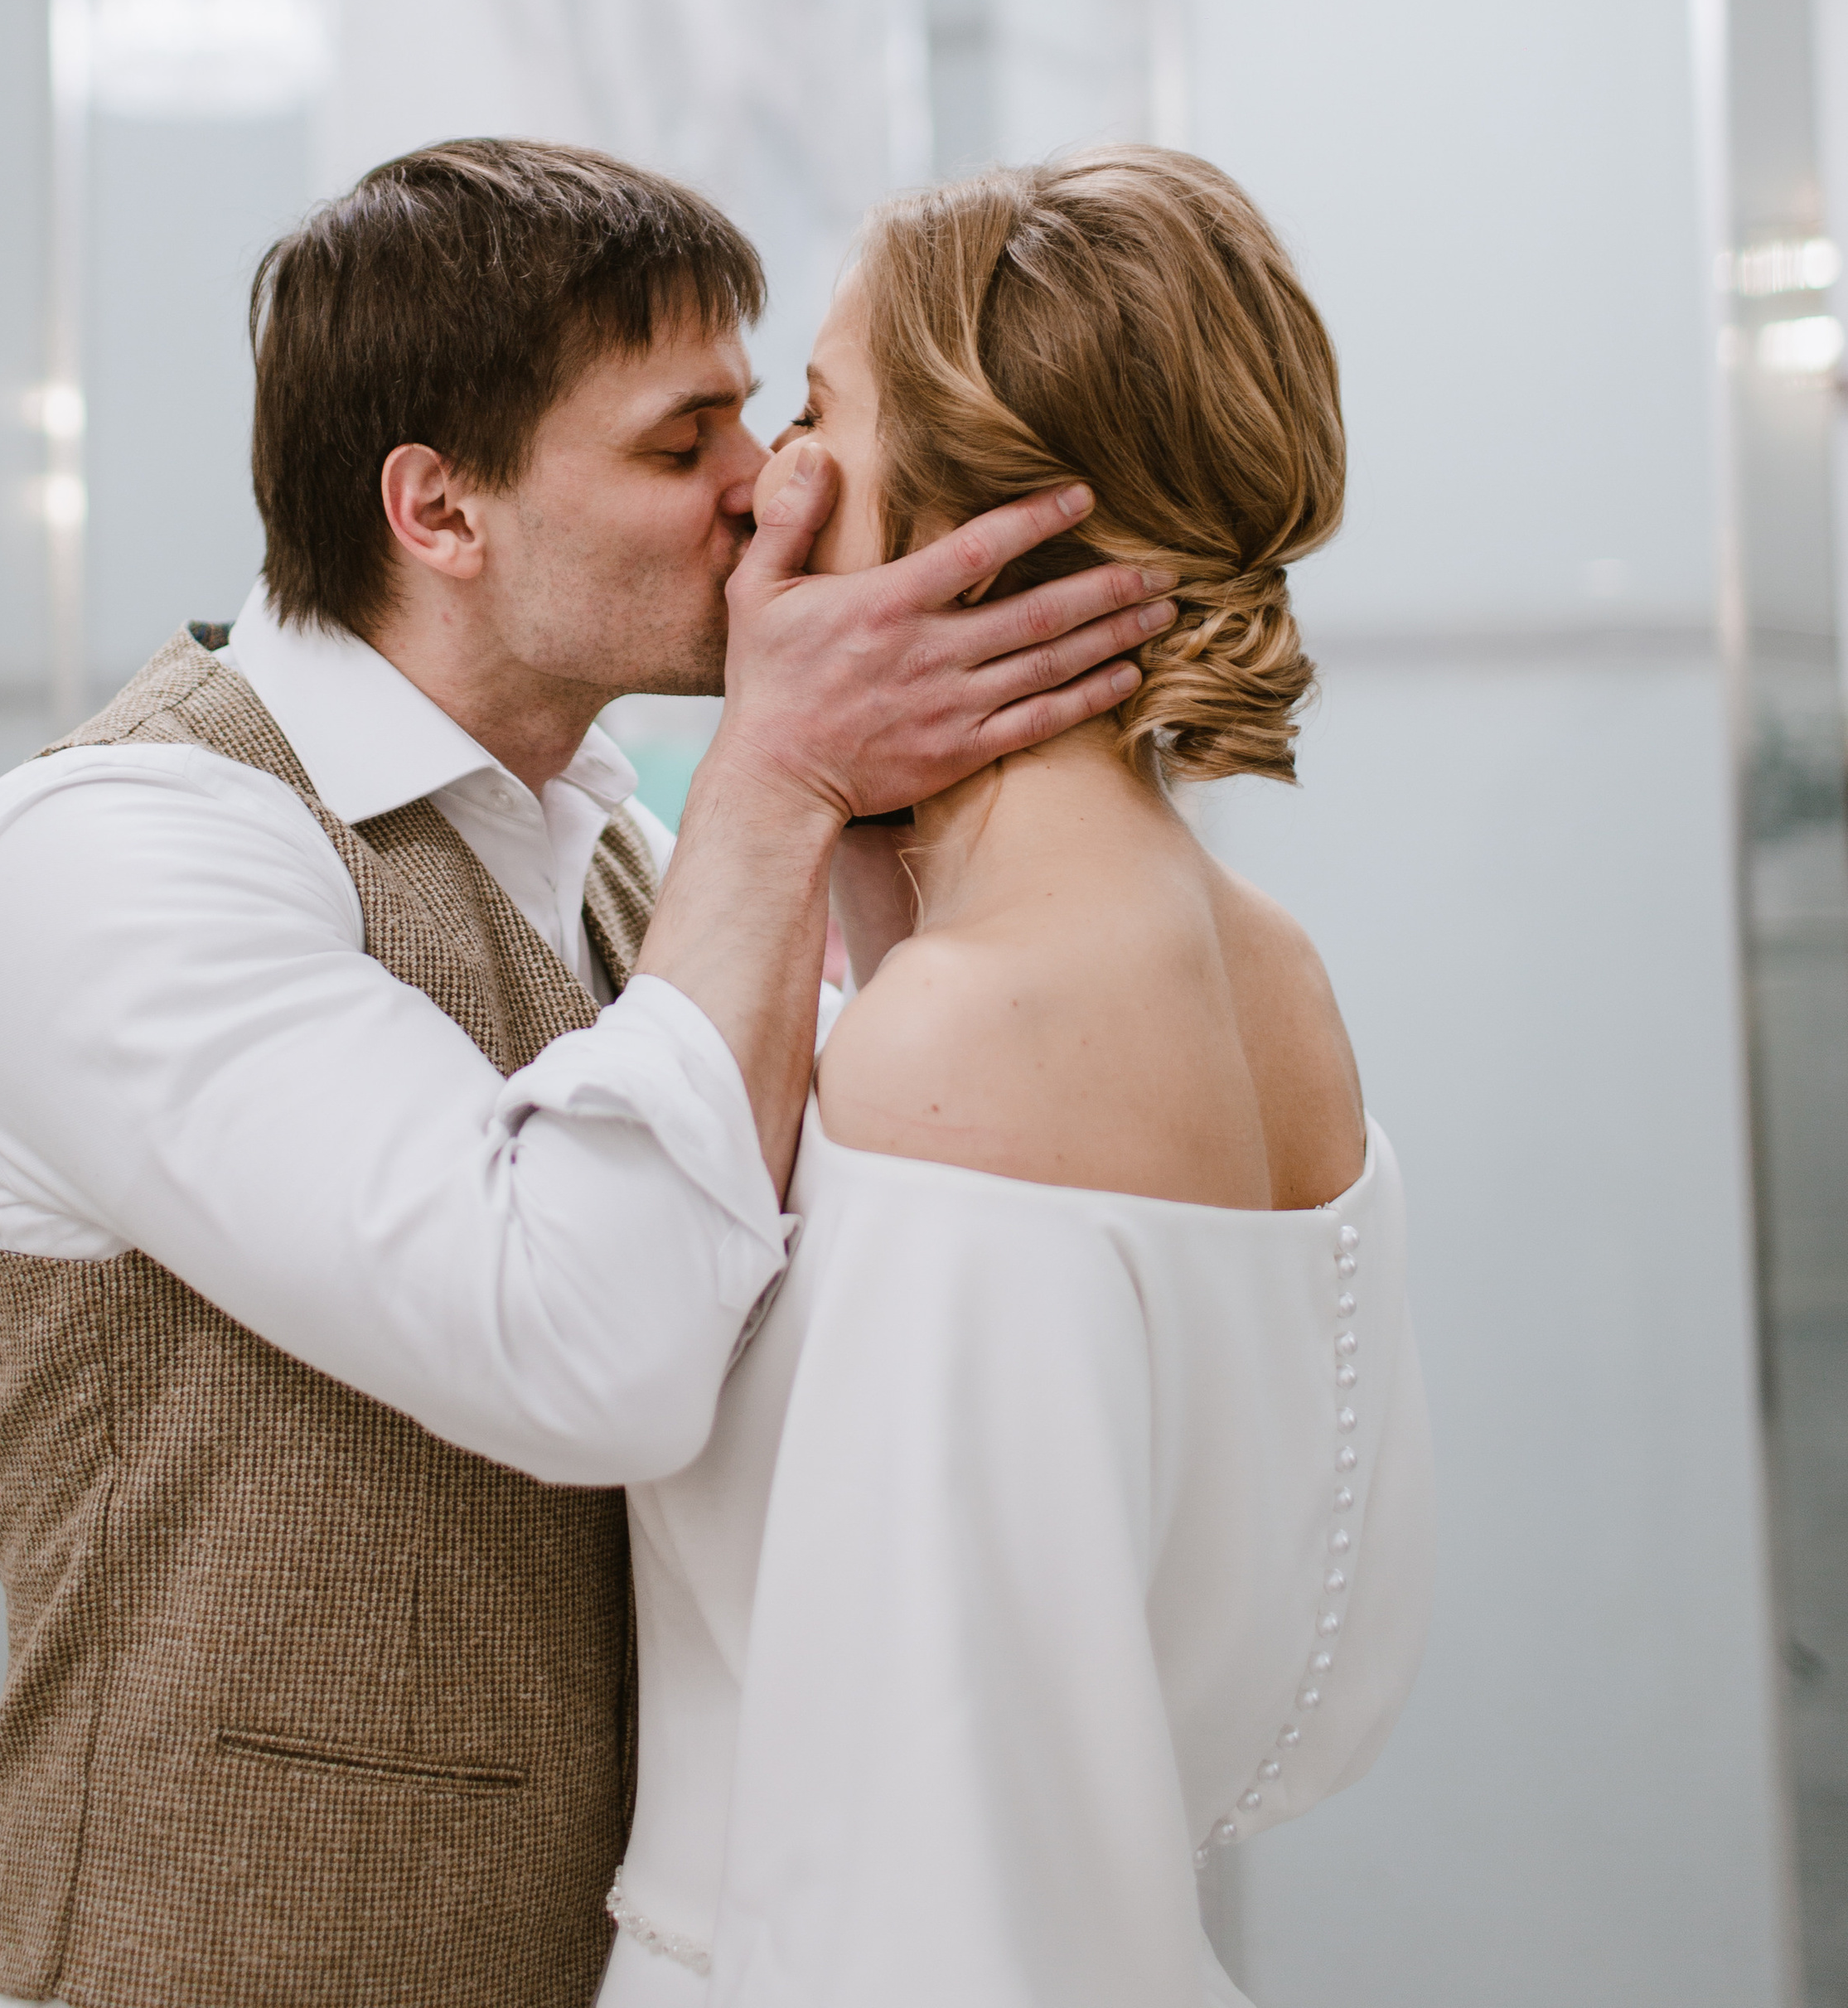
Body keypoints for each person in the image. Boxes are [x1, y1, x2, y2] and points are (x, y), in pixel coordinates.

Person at [0, 138, 1177, 2008]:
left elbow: (841, 1262)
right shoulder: (119, 847)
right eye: (682, 446)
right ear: (437, 511)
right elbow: (587, 1354)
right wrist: (783, 783)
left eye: (757, 416)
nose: (767, 495)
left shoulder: (611, 849)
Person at [606, 148, 1438, 2008]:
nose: (766, 487)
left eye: (815, 414)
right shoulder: (1272, 981)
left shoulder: (958, 1035)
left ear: (977, 525)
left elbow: (917, 1855)